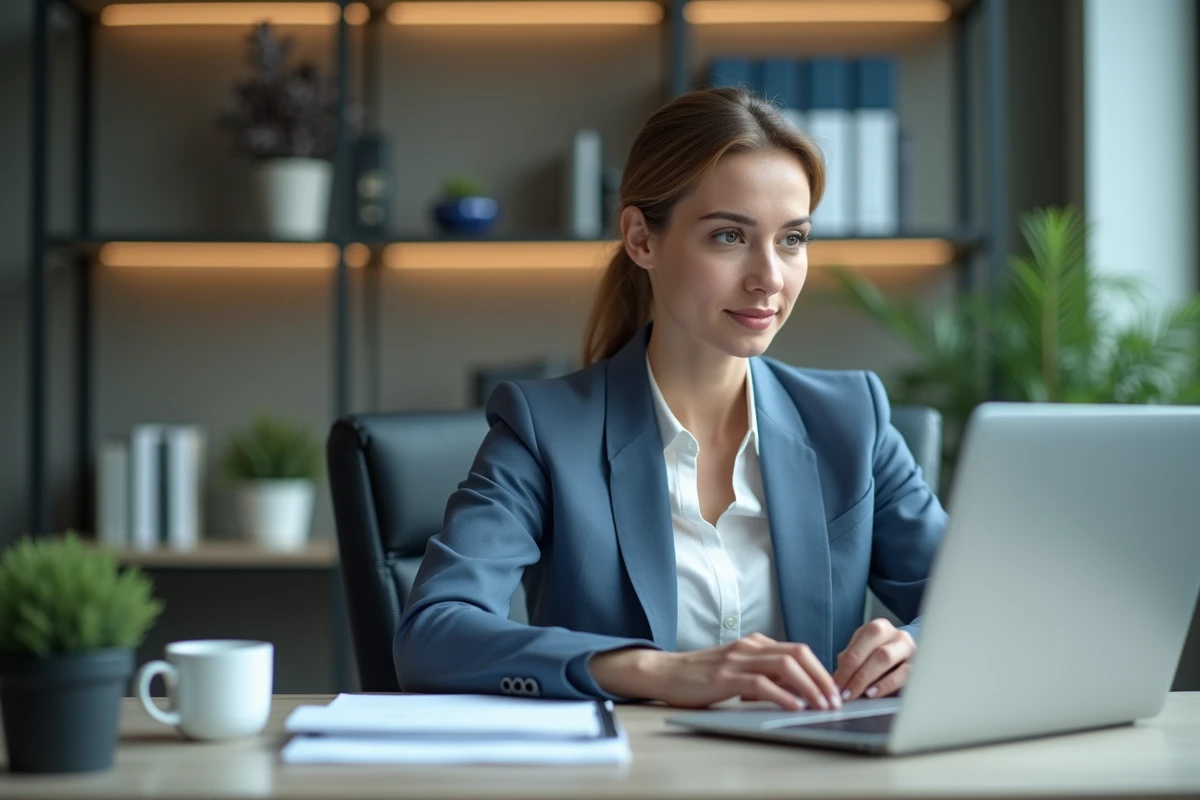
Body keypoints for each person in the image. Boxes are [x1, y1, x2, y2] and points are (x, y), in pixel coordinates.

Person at [394, 87, 946, 712]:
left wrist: (917, 646)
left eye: (792, 239)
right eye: (729, 237)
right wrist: (655, 672)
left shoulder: (851, 419)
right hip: (636, 762)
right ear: (641, 239)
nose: (769, 277)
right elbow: (432, 634)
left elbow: (986, 601)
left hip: (811, 760)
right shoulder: (545, 430)